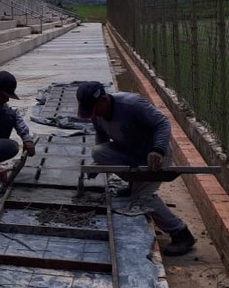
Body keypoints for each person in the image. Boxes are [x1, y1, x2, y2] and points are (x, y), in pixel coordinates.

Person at [76, 81, 197, 256]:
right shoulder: (96, 115)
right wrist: (99, 166)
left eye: (94, 109)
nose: (93, 114)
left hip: (154, 156)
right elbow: (102, 140)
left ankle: (181, 233)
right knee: (98, 153)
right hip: (131, 153)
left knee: (143, 198)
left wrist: (158, 150)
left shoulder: (132, 104)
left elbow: (162, 123)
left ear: (103, 100)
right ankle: (134, 185)